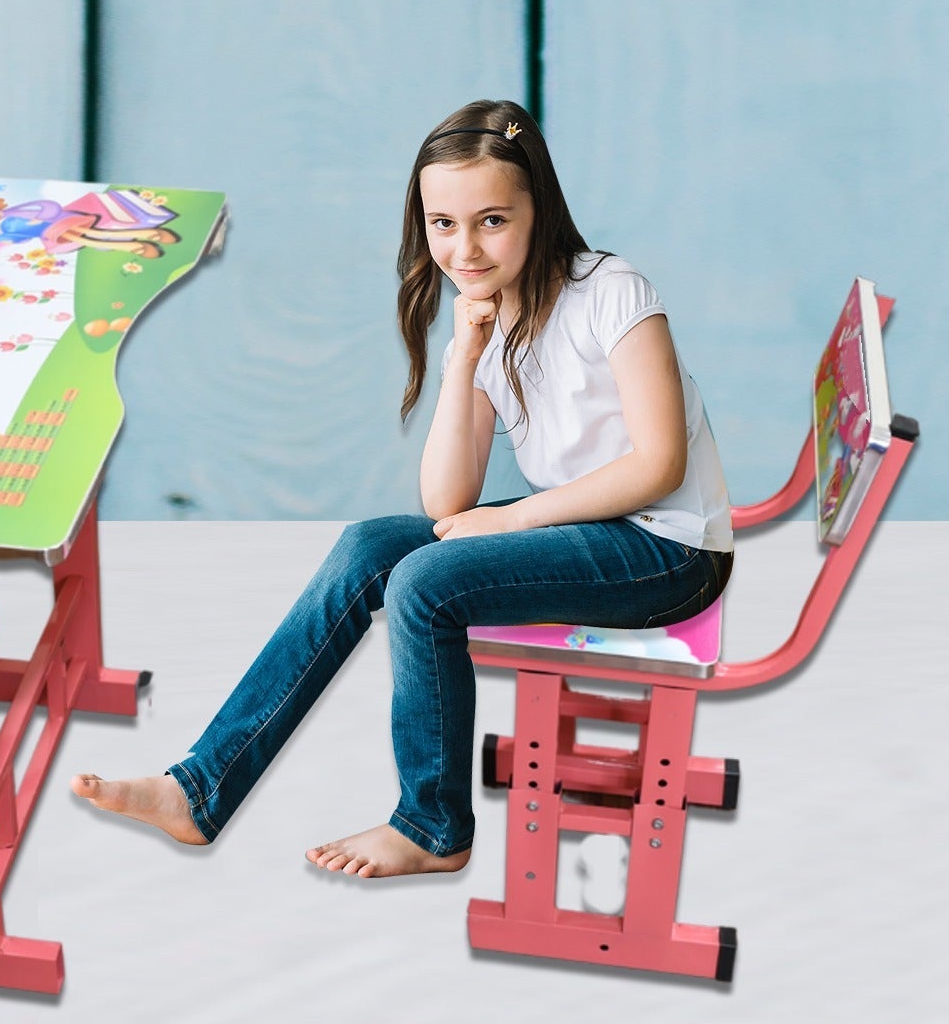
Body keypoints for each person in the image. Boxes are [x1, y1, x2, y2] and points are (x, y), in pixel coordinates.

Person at [71, 99, 733, 877]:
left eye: (492, 220)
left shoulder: (612, 292)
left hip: (666, 549)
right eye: (442, 224)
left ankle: (432, 825)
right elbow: (447, 504)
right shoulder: (490, 313)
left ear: (540, 209)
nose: (465, 248)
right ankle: (201, 788)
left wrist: (514, 521)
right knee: (370, 547)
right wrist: (464, 357)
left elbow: (659, 466)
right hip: (583, 530)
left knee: (425, 583)